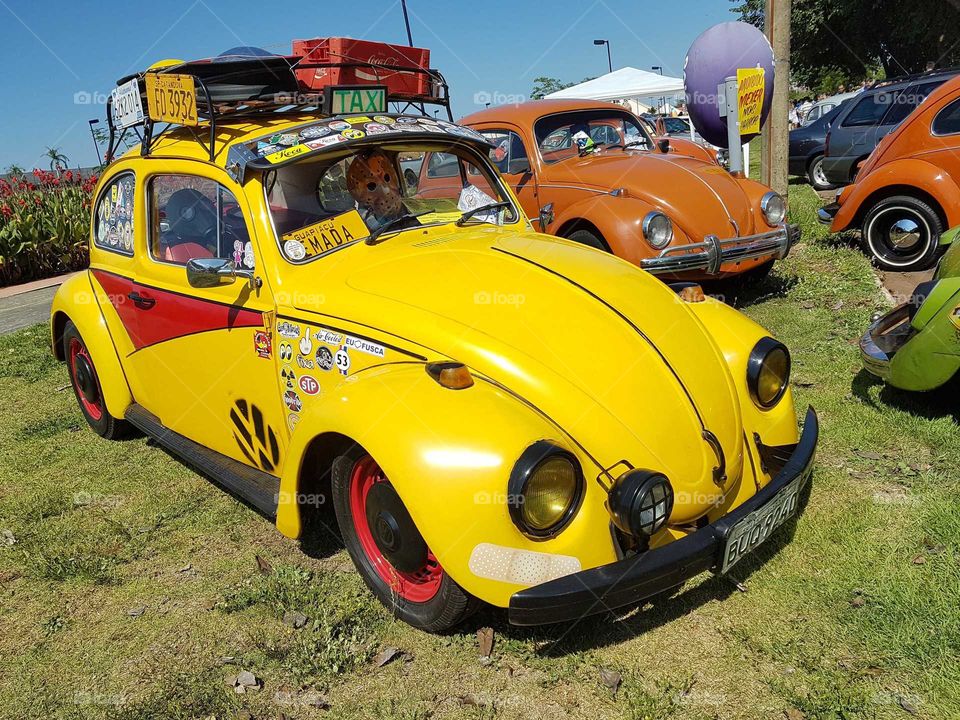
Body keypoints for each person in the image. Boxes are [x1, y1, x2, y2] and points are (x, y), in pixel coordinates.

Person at [345, 149, 404, 230]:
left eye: (387, 178)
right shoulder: (365, 222)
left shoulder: (407, 208)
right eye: (372, 186)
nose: (386, 190)